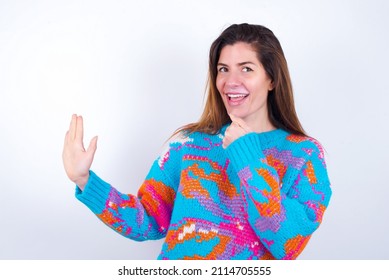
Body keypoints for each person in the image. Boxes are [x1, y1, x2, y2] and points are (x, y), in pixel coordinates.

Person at [63, 23, 331, 260]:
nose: (231, 81)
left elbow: (288, 245)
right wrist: (85, 180)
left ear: (271, 79)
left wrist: (247, 156)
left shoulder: (303, 154)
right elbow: (147, 222)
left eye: (246, 69)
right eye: (223, 69)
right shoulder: (188, 144)